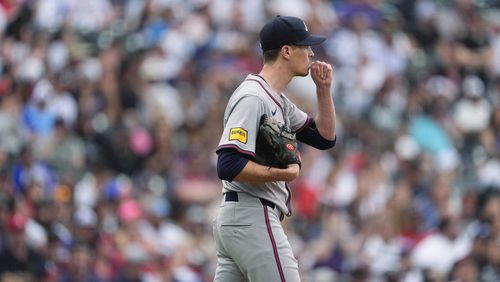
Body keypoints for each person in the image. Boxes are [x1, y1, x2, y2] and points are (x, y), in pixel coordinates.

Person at [213, 15, 337, 282]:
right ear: (287, 51)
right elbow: (228, 165)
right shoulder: (252, 97)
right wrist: (282, 174)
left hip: (240, 219)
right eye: (305, 46)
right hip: (252, 215)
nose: (312, 53)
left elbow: (325, 138)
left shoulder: (277, 100)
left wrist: (323, 90)